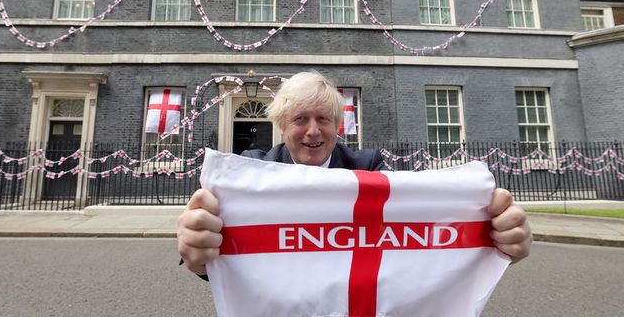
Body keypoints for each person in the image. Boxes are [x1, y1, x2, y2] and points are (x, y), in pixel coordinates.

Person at [178, 71, 532, 277]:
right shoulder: (249, 173)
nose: (313, 131)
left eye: (323, 119)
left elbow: (418, 235)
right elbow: (220, 258)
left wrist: (491, 239)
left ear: (338, 125)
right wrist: (197, 256)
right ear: (282, 126)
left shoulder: (370, 169)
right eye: (300, 119)